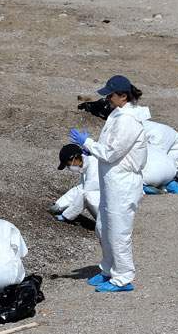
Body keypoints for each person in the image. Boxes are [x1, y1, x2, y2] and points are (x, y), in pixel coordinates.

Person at [70, 75, 147, 293]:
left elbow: (112, 153)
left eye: (110, 95)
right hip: (112, 180)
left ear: (123, 95)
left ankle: (123, 277)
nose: (107, 99)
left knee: (118, 230)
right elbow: (109, 146)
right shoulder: (118, 113)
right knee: (104, 225)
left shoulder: (129, 120)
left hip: (123, 182)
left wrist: (88, 143)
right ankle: (108, 268)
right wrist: (90, 148)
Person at [52, 143, 100, 222]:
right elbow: (79, 189)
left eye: (68, 164)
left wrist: (66, 216)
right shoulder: (86, 166)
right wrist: (59, 204)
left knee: (87, 195)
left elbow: (84, 195)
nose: (68, 167)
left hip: (113, 214)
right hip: (105, 209)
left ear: (75, 158)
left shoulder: (94, 168)